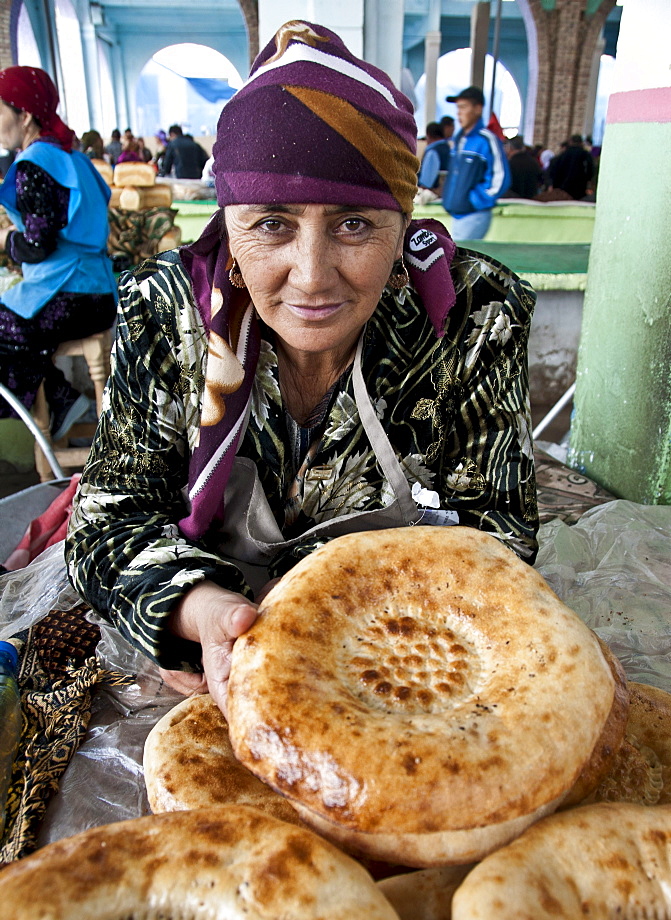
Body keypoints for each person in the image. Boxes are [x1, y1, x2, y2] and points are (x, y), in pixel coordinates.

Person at [66, 21, 538, 717]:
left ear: (402, 219)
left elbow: (501, 534)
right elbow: (109, 518)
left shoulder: (473, 313)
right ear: (227, 222)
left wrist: (343, 635)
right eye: (271, 225)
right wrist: (200, 612)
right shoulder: (167, 308)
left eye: (354, 224)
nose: (312, 278)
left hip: (404, 665)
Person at [0, 66, 117, 439]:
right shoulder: (75, 158)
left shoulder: (33, 166)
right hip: (100, 293)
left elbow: (37, 245)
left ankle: (62, 399)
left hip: (70, 296)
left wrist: (5, 240)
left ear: (25, 115)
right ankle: (62, 398)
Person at [441, 85, 510, 240]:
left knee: (461, 260)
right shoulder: (459, 140)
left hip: (473, 215)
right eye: (458, 108)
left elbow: (500, 178)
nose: (459, 113)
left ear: (478, 109)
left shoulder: (486, 140)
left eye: (464, 107)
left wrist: (474, 200)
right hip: (458, 215)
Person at [548, 134, 594, 201]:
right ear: (581, 143)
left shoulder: (562, 155)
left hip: (562, 188)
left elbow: (554, 171)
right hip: (579, 189)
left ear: (570, 142)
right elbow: (590, 172)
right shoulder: (585, 155)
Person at [415, 121, 450, 205]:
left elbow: (426, 183)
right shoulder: (449, 150)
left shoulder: (433, 152)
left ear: (428, 135)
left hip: (432, 198)